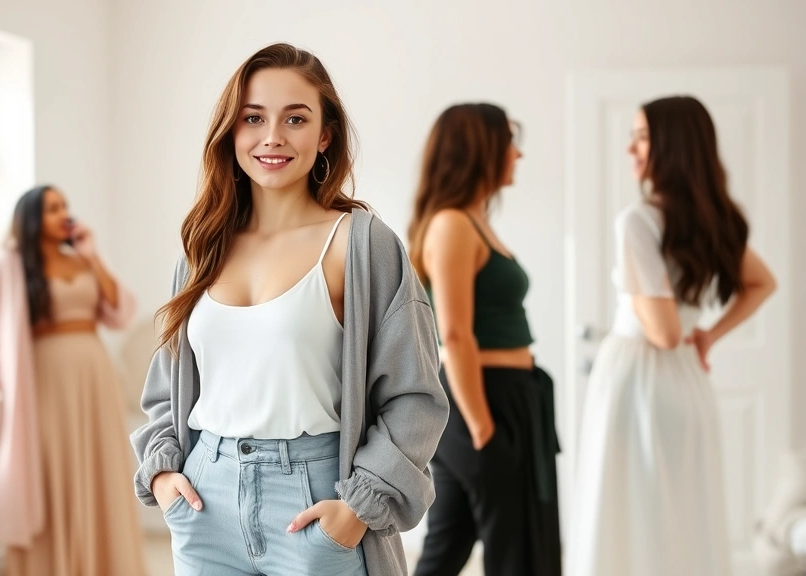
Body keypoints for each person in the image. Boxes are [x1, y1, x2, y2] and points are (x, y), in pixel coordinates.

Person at [130, 43, 449, 576]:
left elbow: (416, 396)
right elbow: (167, 388)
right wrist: (164, 477)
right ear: (231, 131)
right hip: (205, 501)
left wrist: (357, 507)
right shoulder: (201, 246)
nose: (272, 136)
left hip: (314, 500)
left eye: (295, 118)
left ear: (325, 135)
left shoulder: (361, 244)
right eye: (253, 117)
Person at [568, 96, 778, 576]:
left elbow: (662, 331)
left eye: (642, 137)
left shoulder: (638, 220)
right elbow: (763, 283)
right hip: (686, 378)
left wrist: (666, 312)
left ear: (673, 145)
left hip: (637, 376)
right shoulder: (716, 217)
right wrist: (707, 335)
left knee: (626, 508)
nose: (630, 149)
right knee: (681, 509)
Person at [407, 103, 562, 576]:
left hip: (503, 396)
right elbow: (454, 333)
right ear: (481, 149)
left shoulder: (471, 220)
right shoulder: (453, 224)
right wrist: (481, 428)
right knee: (512, 546)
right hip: (481, 397)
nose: (517, 154)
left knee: (449, 541)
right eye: (510, 141)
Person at [0, 185, 146, 576]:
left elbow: (120, 312)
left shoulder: (80, 260)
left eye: (65, 206)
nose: (63, 213)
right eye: (51, 208)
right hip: (42, 383)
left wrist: (92, 255)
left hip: (95, 378)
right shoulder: (5, 265)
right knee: (50, 470)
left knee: (98, 469)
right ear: (30, 217)